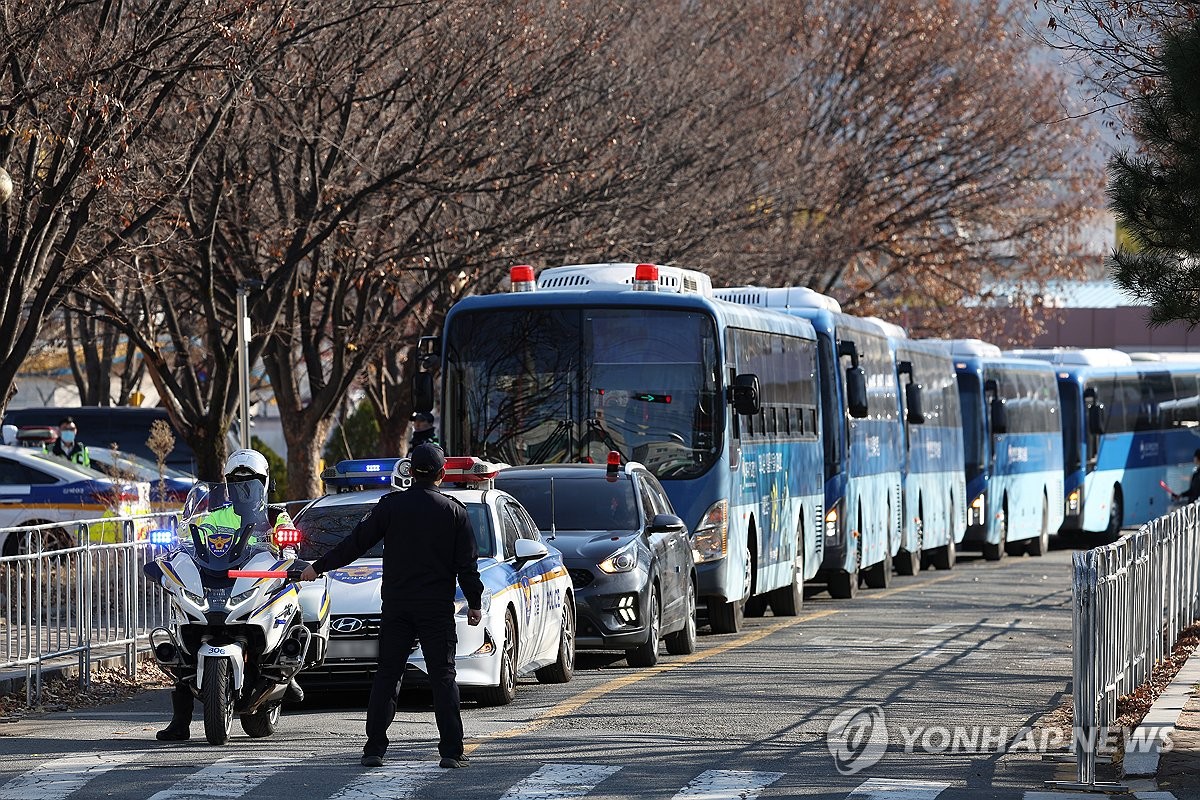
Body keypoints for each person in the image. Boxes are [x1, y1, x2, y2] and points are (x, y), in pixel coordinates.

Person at [299, 443, 483, 769]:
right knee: (442, 677)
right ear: (442, 474)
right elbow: (467, 565)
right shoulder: (454, 512)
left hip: (397, 606)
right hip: (436, 609)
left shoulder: (391, 507)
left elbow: (354, 544)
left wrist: (318, 567)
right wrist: (474, 603)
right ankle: (452, 752)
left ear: (410, 473)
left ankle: (374, 749)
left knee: (387, 675)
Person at [150, 448, 304, 742]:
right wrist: (180, 543)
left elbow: (289, 540)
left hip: (257, 579)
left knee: (295, 598)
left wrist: (288, 546)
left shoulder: (275, 515)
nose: (243, 487)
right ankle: (180, 722)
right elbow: (193, 539)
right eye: (236, 481)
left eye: (251, 480)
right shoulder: (217, 515)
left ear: (264, 481)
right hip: (220, 580)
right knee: (184, 639)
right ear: (228, 484)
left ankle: (291, 674)